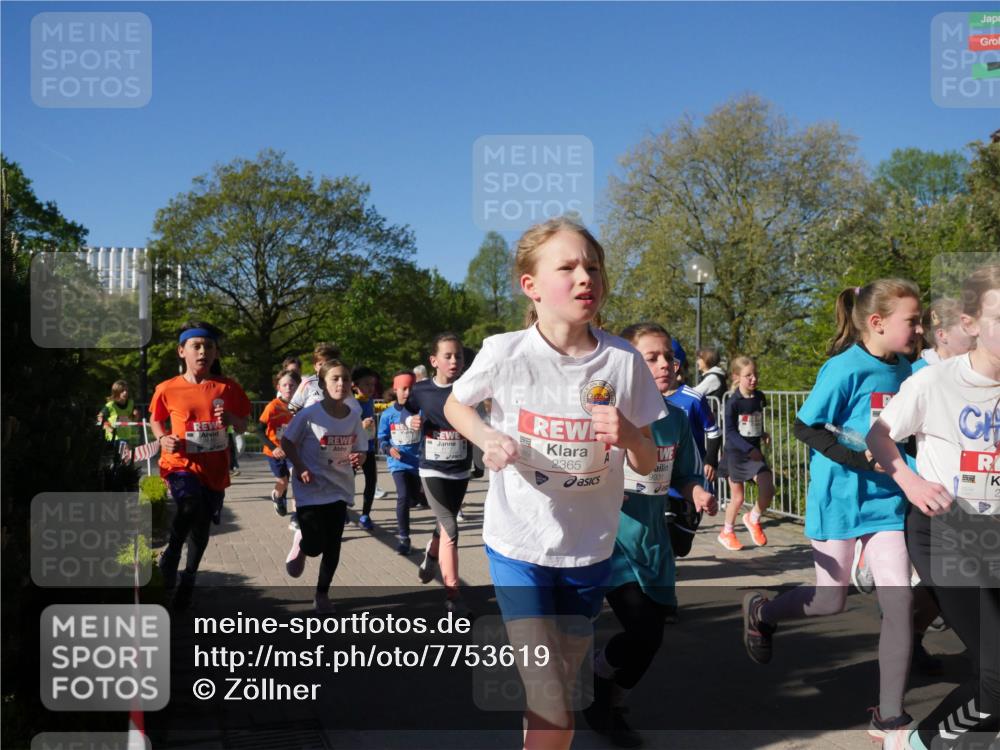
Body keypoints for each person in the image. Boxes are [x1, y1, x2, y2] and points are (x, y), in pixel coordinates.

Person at [444, 217, 664, 750]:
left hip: (588, 551)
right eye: (567, 267)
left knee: (555, 695)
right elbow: (456, 404)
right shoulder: (505, 351)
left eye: (592, 266)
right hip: (518, 545)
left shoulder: (623, 360)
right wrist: (485, 436)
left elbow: (650, 461)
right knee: (554, 708)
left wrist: (631, 434)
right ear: (532, 287)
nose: (585, 277)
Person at [741, 280, 923, 739]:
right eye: (913, 321)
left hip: (886, 503)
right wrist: (858, 457)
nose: (920, 329)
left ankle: (889, 715)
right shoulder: (843, 369)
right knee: (829, 601)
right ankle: (762, 613)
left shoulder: (911, 371)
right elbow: (805, 426)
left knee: (899, 604)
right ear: (878, 323)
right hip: (838, 500)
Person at [870, 264, 1000, 750]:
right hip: (946, 529)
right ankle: (918, 743)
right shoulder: (935, 382)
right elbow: (879, 435)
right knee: (997, 679)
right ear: (970, 323)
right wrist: (910, 480)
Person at [583, 322, 718, 747]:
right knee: (644, 631)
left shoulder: (676, 419)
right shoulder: (603, 416)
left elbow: (686, 473)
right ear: (628, 365)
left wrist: (698, 492)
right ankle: (600, 693)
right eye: (652, 357)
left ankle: (609, 695)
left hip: (653, 541)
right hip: (613, 541)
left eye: (669, 356)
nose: (666, 364)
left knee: (649, 639)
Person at [151, 322, 250, 611]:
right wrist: (163, 437)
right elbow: (156, 419)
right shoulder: (167, 388)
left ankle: (189, 578)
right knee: (188, 506)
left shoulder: (228, 387)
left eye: (208, 346)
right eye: (196, 346)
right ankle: (171, 555)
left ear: (216, 352)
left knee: (202, 529)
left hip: (215, 470)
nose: (202, 351)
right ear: (182, 351)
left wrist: (230, 418)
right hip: (180, 463)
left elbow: (243, 425)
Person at [280, 359, 368, 614]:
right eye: (335, 379)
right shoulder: (309, 415)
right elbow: (287, 442)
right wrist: (300, 466)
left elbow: (361, 448)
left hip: (339, 488)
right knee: (316, 544)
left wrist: (358, 457)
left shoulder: (353, 417)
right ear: (323, 384)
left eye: (345, 379)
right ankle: (303, 543)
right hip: (310, 488)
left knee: (333, 544)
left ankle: (322, 593)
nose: (341, 384)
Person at [407, 333, 474, 616]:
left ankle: (432, 555)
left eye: (458, 355)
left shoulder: (470, 387)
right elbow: (406, 411)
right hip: (432, 468)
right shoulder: (421, 390)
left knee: (444, 523)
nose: (454, 361)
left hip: (460, 470)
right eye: (447, 356)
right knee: (451, 527)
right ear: (434, 361)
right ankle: (453, 596)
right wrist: (411, 420)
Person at [717, 356, 774, 551]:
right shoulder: (733, 403)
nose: (753, 379)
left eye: (755, 374)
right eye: (748, 375)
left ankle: (753, 518)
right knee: (738, 498)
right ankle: (727, 531)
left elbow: (754, 421)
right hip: (736, 454)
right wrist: (749, 448)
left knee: (768, 488)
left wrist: (762, 433)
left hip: (754, 453)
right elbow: (730, 433)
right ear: (736, 377)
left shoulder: (759, 397)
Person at [377, 371, 422, 555]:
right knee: (402, 497)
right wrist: (388, 449)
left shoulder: (421, 411)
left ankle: (418, 498)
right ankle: (404, 538)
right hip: (398, 463)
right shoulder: (388, 414)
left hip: (417, 463)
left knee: (413, 499)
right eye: (403, 388)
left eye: (411, 388)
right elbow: (382, 439)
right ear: (395, 389)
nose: (407, 392)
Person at [259, 368, 301, 516]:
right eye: (285, 385)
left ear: (298, 386)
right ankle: (277, 496)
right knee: (283, 482)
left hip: (292, 451)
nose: (288, 388)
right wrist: (273, 447)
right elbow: (259, 430)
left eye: (292, 385)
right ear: (279, 388)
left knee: (296, 479)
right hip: (274, 452)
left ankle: (296, 516)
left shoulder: (300, 407)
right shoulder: (272, 406)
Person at [911, 297, 976, 374]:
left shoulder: (974, 367)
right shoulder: (917, 374)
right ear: (942, 335)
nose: (975, 333)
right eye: (966, 328)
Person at [352, 366, 381, 530]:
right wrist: (360, 425)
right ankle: (342, 513)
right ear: (355, 385)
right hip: (353, 451)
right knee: (348, 483)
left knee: (371, 482)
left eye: (373, 384)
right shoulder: (351, 403)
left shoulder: (370, 401)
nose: (371, 388)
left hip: (368, 449)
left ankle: (365, 515)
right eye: (367, 384)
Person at [100, 379, 141, 446]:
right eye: (122, 391)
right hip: (113, 437)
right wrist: (107, 427)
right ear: (116, 392)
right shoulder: (111, 405)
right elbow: (100, 417)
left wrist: (136, 415)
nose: (125, 392)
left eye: (126, 390)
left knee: (124, 455)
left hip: (126, 435)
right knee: (120, 455)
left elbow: (133, 420)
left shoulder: (131, 403)